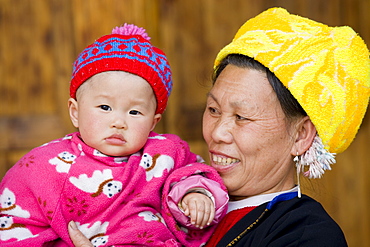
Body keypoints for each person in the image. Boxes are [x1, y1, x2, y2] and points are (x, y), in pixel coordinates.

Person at [67, 7, 370, 247]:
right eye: (213, 110)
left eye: (242, 117)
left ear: (301, 135)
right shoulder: (163, 189)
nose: (217, 133)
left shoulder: (306, 236)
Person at [0, 24, 229, 246]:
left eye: (135, 112)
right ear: (75, 112)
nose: (119, 122)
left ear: (153, 122)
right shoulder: (43, 167)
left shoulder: (165, 154)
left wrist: (194, 194)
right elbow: (13, 224)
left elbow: (194, 172)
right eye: (105, 108)